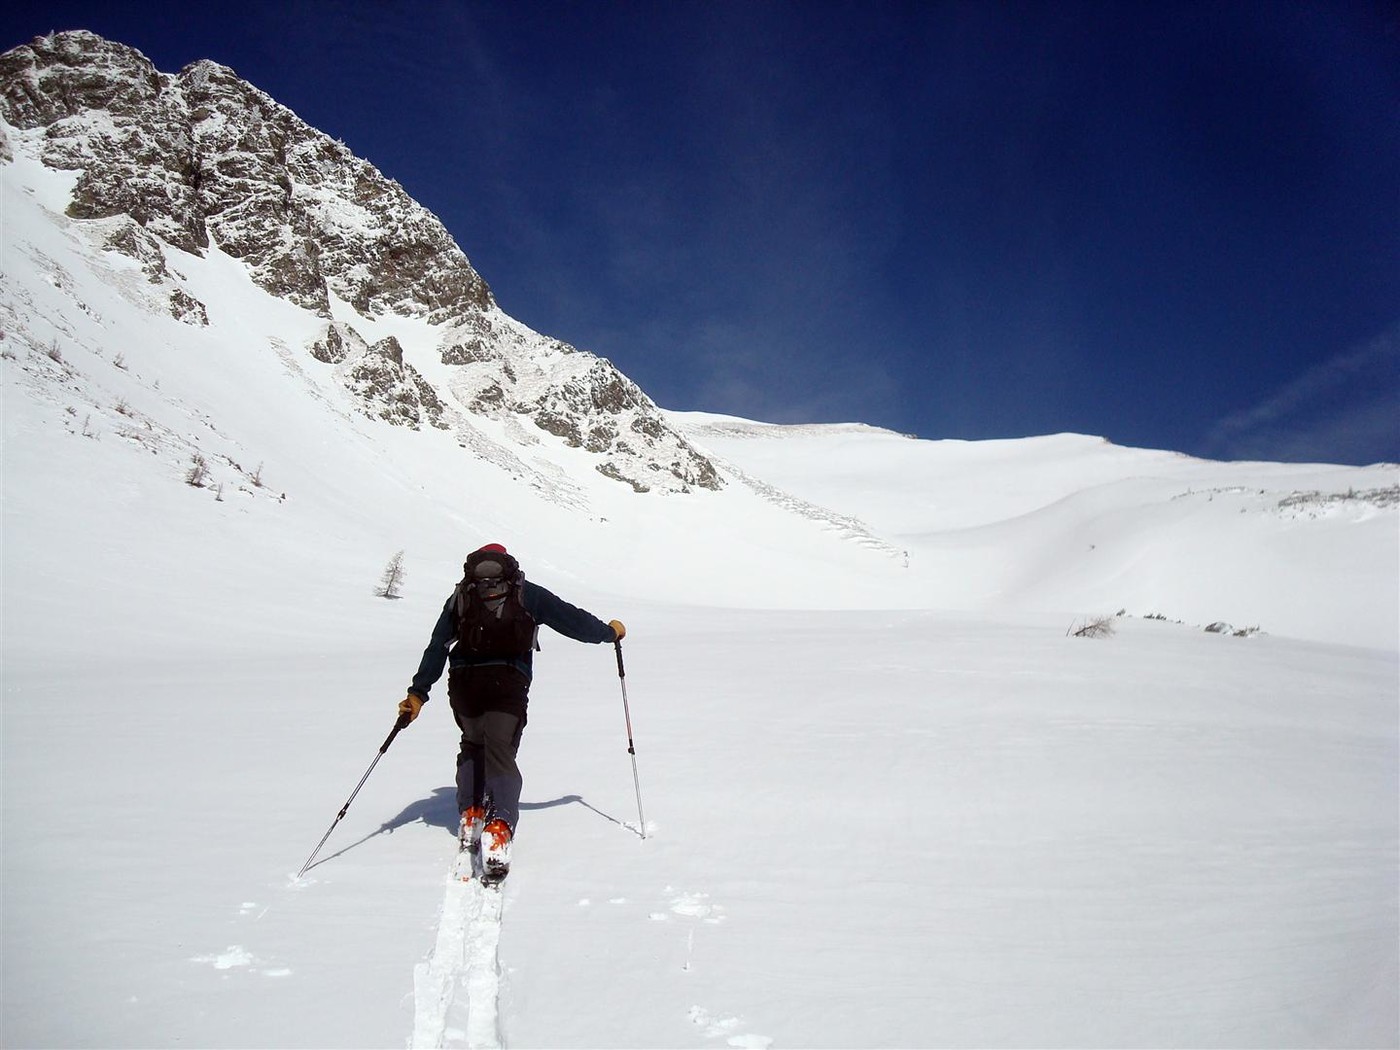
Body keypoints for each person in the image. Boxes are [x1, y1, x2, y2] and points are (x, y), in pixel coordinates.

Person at [396, 543, 624, 878]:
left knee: (472, 744)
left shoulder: (462, 596)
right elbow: (572, 620)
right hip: (508, 681)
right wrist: (609, 632)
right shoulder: (525, 592)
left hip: (464, 685)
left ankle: (471, 814)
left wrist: (418, 693)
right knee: (501, 750)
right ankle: (499, 826)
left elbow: (437, 646)